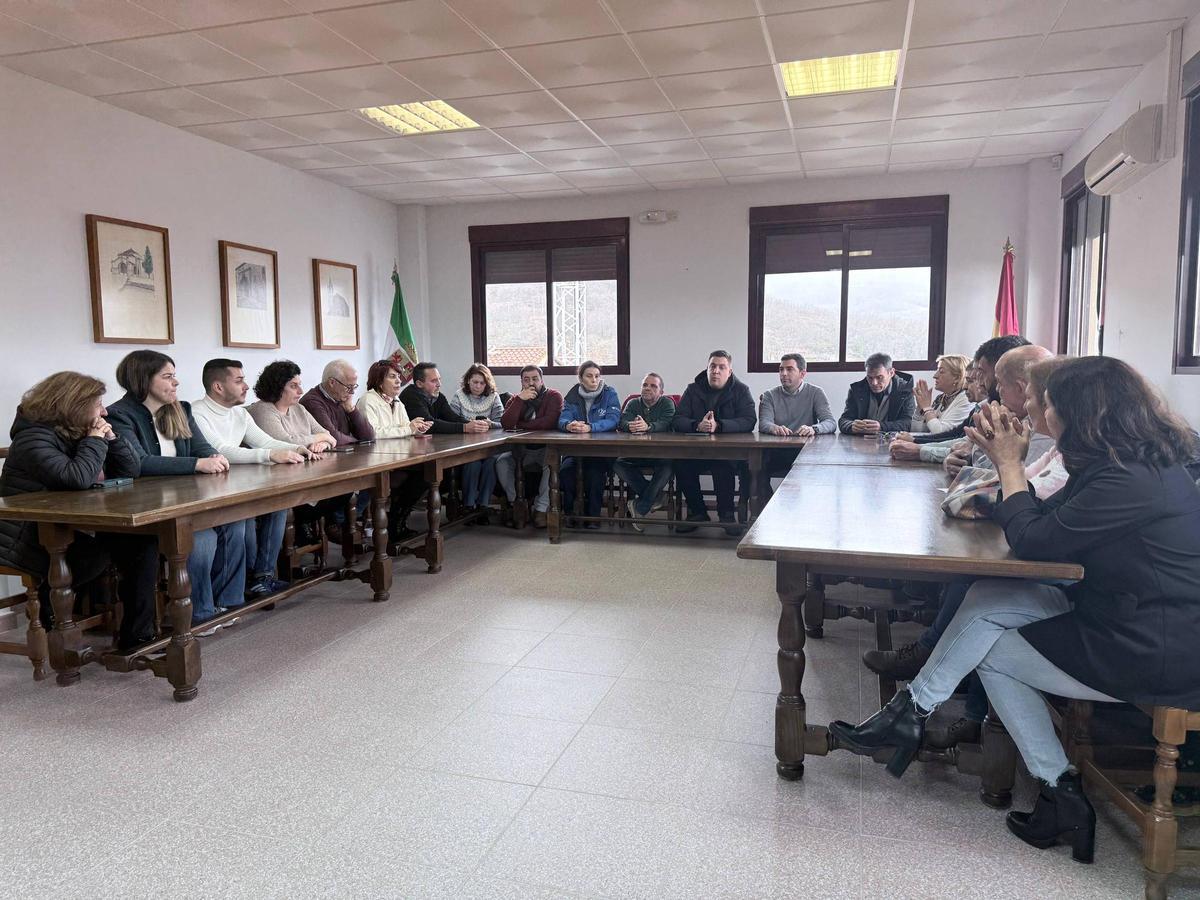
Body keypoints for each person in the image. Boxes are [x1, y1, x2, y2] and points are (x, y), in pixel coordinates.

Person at [830, 356, 1200, 865]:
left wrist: (1008, 467)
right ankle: (922, 720)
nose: (1039, 409)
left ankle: (931, 724)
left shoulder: (1127, 479)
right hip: (1124, 613)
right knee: (987, 597)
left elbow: (1033, 540)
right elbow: (1045, 516)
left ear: (1082, 411)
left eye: (1048, 403)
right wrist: (1004, 472)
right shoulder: (1123, 463)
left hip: (1152, 648)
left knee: (989, 644)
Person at [865, 355, 1071, 749]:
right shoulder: (1063, 447)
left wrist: (993, 471)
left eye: (1031, 397)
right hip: (1051, 560)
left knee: (982, 586)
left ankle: (922, 695)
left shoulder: (1088, 459)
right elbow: (1013, 479)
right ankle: (924, 701)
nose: (1026, 405)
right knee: (976, 583)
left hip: (1084, 594)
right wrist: (987, 471)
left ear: (1054, 405)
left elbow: (1030, 509)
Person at [0, 372, 157, 651]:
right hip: (29, 533)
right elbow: (77, 478)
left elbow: (131, 469)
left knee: (142, 542)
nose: (105, 411)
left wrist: (112, 437)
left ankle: (138, 635)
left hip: (74, 524)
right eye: (98, 404)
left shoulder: (76, 432)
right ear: (74, 405)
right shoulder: (32, 439)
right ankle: (55, 617)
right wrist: (95, 440)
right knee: (97, 554)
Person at [105, 350, 242, 633]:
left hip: (187, 496)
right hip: (145, 506)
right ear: (143, 379)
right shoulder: (120, 415)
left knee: (237, 521)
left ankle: (228, 603)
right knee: (201, 538)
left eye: (174, 376)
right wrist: (197, 464)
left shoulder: (181, 409)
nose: (176, 383)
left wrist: (215, 458)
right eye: (167, 376)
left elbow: (202, 449)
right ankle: (201, 614)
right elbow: (140, 463)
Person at [191, 358, 309, 600]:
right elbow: (221, 450)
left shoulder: (239, 414)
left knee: (278, 502)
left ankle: (262, 577)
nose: (246, 386)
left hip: (235, 483)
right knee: (243, 519)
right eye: (239, 381)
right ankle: (247, 580)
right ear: (218, 387)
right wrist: (271, 455)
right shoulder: (196, 412)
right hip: (207, 490)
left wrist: (297, 448)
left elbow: (264, 441)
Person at [248, 360, 345, 547]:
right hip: (277, 482)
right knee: (336, 493)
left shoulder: (299, 408)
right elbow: (285, 443)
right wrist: (317, 439)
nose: (300, 391)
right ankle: (300, 529)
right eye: (294, 386)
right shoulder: (261, 410)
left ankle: (303, 526)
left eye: (299, 385)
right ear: (277, 387)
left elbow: (329, 436)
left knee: (344, 491)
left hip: (306, 473)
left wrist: (321, 442)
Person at [893, 335, 1031, 450]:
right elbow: (962, 442)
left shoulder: (968, 401)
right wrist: (920, 410)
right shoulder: (942, 399)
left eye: (981, 373)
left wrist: (918, 445)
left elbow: (957, 441)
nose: (980, 382)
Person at [673, 350, 756, 536]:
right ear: (707, 368)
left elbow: (749, 420)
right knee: (680, 463)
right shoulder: (693, 389)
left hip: (728, 452)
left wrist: (719, 425)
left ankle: (726, 515)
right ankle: (697, 512)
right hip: (696, 450)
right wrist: (697, 425)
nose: (716, 371)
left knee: (722, 465)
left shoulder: (741, 390)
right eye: (712, 366)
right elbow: (678, 419)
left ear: (730, 371)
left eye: (721, 367)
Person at [356, 359, 432, 540]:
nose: (399, 381)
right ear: (379, 380)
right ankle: (394, 521)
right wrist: (409, 429)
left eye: (398, 376)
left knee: (427, 475)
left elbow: (405, 426)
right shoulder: (368, 400)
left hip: (397, 458)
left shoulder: (396, 401)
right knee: (420, 477)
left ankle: (397, 518)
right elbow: (374, 434)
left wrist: (416, 427)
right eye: (392, 377)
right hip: (375, 461)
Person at [496, 365, 563, 529]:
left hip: (545, 449)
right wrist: (520, 400)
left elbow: (549, 422)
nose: (531, 383)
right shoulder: (515, 399)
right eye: (526, 380)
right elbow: (506, 424)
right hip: (522, 450)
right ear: (521, 382)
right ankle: (519, 505)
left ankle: (541, 509)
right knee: (502, 462)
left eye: (535, 379)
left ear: (542, 380)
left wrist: (521, 424)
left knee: (553, 462)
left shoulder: (554, 396)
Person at [557, 360, 622, 528]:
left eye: (597, 376)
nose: (594, 380)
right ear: (580, 378)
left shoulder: (609, 393)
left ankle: (593, 516)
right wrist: (568, 425)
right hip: (575, 450)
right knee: (566, 472)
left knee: (595, 473)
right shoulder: (573, 395)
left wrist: (590, 427)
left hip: (600, 451)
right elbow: (563, 418)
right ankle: (571, 514)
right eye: (589, 376)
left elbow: (613, 421)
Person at [612, 372, 676, 533]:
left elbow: (667, 423)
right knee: (618, 463)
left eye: (653, 386)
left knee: (669, 466)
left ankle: (640, 507)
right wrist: (630, 426)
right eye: (645, 385)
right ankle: (657, 497)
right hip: (636, 453)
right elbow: (622, 421)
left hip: (660, 455)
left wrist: (648, 427)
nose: (647, 388)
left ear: (661, 391)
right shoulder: (633, 403)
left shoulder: (668, 403)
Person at [758, 353, 836, 481]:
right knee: (755, 466)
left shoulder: (816, 392)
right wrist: (774, 428)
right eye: (781, 369)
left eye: (789, 369)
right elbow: (764, 423)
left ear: (802, 373)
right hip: (776, 451)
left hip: (805, 451)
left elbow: (830, 422)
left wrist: (814, 429)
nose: (783, 373)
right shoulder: (769, 395)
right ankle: (766, 500)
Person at [449, 363, 505, 519]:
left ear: (487, 383)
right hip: (466, 444)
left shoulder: (494, 397)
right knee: (472, 464)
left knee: (490, 463)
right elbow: (452, 421)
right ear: (468, 381)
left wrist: (490, 424)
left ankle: (484, 505)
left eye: (482, 383)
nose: (478, 386)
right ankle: (469, 505)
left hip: (489, 444)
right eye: (475, 382)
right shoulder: (458, 396)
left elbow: (503, 422)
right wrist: (468, 426)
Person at [300, 359, 374, 447]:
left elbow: (369, 436)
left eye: (354, 387)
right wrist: (358, 441)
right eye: (349, 387)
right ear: (332, 382)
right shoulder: (312, 402)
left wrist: (352, 410)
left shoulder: (343, 399)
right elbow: (333, 437)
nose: (352, 392)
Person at [838, 353, 916, 435]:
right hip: (861, 442)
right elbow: (844, 420)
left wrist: (881, 427)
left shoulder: (905, 390)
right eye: (870, 377)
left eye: (879, 377)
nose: (874, 383)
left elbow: (908, 423)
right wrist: (851, 426)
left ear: (891, 373)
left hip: (894, 441)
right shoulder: (856, 390)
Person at [909, 354, 972, 434]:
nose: (935, 376)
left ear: (957, 378)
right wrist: (920, 408)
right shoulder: (941, 398)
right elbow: (916, 431)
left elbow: (940, 433)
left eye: (941, 372)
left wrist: (926, 408)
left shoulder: (966, 399)